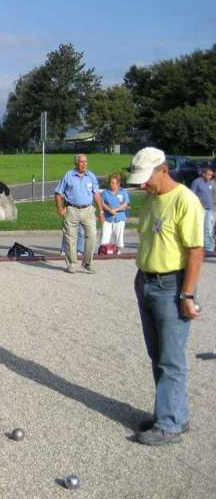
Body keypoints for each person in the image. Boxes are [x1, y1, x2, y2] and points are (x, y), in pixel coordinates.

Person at [127, 147, 203, 446]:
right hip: (145, 281)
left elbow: (195, 252)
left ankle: (169, 425)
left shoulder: (185, 201)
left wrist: (187, 294)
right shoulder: (150, 200)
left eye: (147, 179)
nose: (143, 184)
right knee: (157, 355)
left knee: (171, 359)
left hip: (172, 286)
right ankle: (172, 414)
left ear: (163, 170)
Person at [54, 154, 105, 273]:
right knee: (70, 238)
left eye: (85, 162)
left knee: (92, 235)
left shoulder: (91, 176)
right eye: (81, 162)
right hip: (72, 209)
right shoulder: (68, 175)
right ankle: (72, 263)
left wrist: (101, 211)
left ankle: (87, 263)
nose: (84, 164)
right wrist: (60, 208)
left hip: (88, 210)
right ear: (76, 163)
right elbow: (58, 193)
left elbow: (96, 194)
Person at [100, 172, 130, 254]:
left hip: (120, 217)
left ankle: (117, 250)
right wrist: (109, 209)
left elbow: (126, 204)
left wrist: (116, 209)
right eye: (111, 183)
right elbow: (101, 203)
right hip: (108, 218)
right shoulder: (105, 192)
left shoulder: (123, 192)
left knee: (119, 237)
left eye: (114, 183)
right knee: (104, 237)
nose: (112, 185)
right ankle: (104, 250)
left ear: (118, 184)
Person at [189, 167, 214, 253]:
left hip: (209, 208)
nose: (210, 176)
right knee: (204, 228)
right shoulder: (197, 182)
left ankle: (208, 246)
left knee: (209, 228)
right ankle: (207, 248)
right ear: (203, 174)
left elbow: (210, 194)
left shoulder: (209, 183)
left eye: (211, 175)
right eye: (209, 175)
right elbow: (191, 195)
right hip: (201, 209)